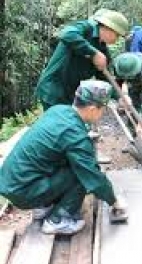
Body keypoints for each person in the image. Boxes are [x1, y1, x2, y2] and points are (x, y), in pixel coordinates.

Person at [0, 80, 126, 235]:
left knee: (69, 162)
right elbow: (92, 176)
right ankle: (57, 220)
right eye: (104, 109)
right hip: (24, 191)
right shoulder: (74, 135)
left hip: (13, 181)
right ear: (93, 109)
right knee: (82, 174)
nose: (103, 113)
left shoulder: (59, 110)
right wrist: (114, 201)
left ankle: (43, 205)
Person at [36, 10, 129, 110]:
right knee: (58, 122)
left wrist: (119, 97)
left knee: (68, 121)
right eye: (117, 35)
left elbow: (104, 76)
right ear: (109, 28)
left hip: (70, 93)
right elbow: (66, 34)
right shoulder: (85, 28)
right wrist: (93, 53)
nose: (117, 39)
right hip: (53, 89)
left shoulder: (102, 50)